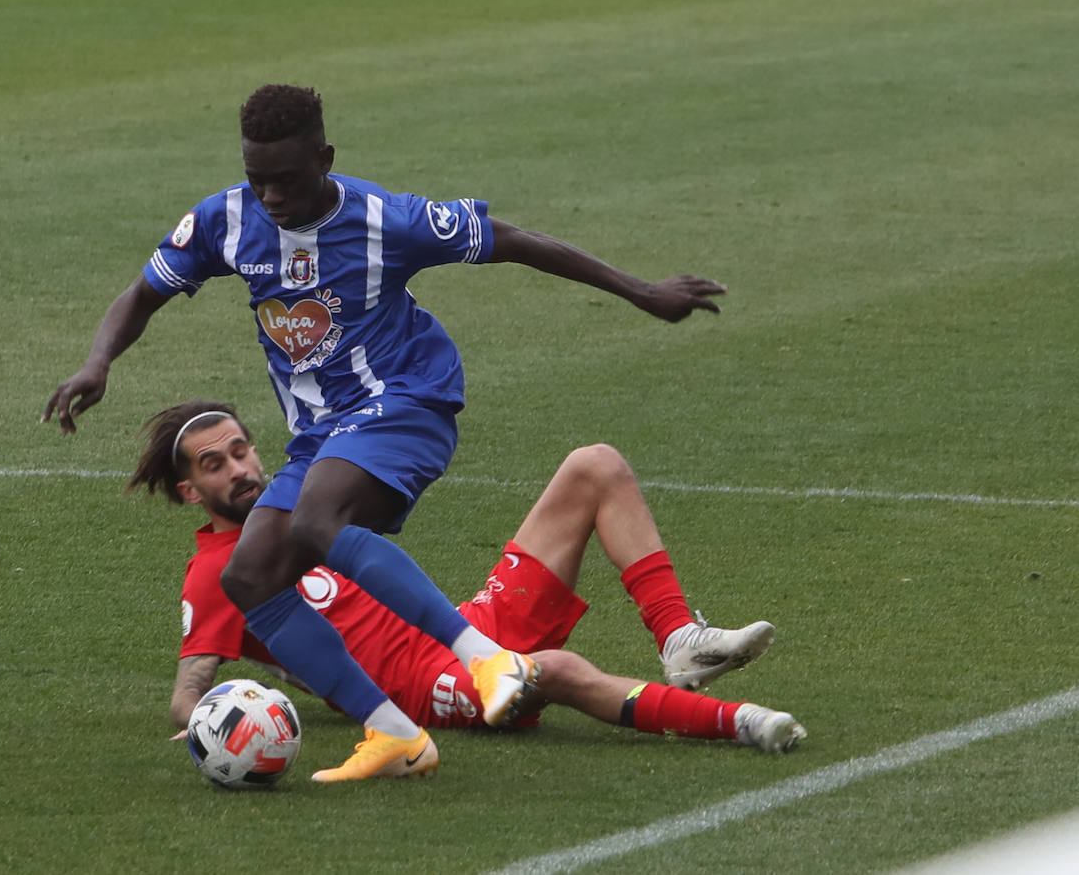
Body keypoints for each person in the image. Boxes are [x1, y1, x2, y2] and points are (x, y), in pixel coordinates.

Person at [45, 85, 729, 780]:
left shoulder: (384, 220)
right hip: (321, 434)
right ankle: (395, 733)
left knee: (316, 521)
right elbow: (144, 293)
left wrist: (644, 291)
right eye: (258, 179)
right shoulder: (227, 221)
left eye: (287, 178)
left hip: (406, 401)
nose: (272, 196)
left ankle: (484, 659)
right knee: (251, 574)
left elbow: (517, 242)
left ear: (325, 157)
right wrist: (97, 362)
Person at [135, 400, 806, 780]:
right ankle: (743, 723)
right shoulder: (219, 572)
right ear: (191, 493)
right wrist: (227, 720)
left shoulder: (297, 505)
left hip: (468, 627)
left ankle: (680, 640)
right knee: (561, 671)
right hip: (425, 690)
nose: (241, 469)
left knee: (593, 466)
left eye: (242, 449)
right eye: (214, 465)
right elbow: (187, 691)